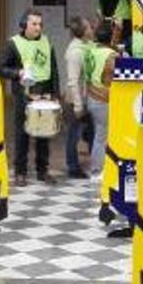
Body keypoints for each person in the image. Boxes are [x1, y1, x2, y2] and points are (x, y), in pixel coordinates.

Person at [0, 8, 60, 186]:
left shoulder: (47, 43)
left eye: (40, 24)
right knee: (22, 134)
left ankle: (43, 170)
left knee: (44, 133)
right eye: (34, 23)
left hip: (44, 93)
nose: (38, 27)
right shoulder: (13, 43)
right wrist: (18, 72)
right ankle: (20, 172)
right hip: (24, 95)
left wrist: (55, 93)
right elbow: (2, 68)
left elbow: (54, 70)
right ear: (24, 24)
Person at [62, 17, 95, 180]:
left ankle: (94, 164)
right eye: (89, 26)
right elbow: (73, 81)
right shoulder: (75, 52)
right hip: (75, 100)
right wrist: (77, 106)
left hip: (87, 98)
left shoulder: (86, 46)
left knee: (90, 132)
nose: (92, 28)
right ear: (82, 31)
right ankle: (73, 167)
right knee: (73, 135)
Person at [83, 21, 116, 178]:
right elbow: (116, 74)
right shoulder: (110, 55)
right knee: (101, 137)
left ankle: (99, 168)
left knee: (98, 134)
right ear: (110, 38)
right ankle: (97, 171)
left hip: (91, 96)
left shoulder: (90, 51)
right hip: (103, 98)